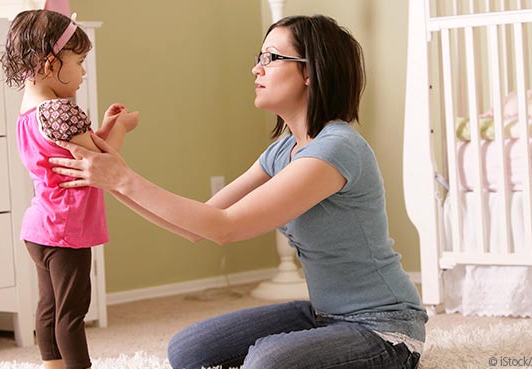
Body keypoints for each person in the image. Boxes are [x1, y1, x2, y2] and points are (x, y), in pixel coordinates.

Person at [50, 14, 426, 369]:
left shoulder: (337, 148)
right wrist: (109, 175)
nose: (256, 68)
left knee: (266, 361)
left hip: (384, 328)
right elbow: (196, 226)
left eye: (270, 57)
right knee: (188, 350)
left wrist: (122, 178)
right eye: (258, 57)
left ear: (310, 71)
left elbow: (224, 227)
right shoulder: (282, 151)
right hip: (323, 313)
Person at [1, 9, 139, 369]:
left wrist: (106, 127)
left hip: (40, 228)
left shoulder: (29, 111)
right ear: (50, 64)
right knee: (72, 312)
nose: (83, 72)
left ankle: (53, 366)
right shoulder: (64, 111)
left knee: (50, 305)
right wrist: (122, 128)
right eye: (78, 62)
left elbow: (84, 151)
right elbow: (104, 164)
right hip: (67, 230)